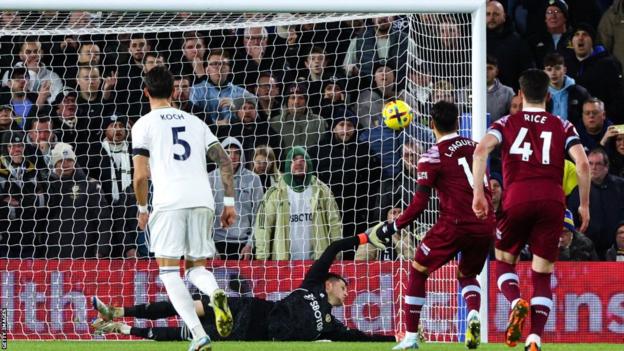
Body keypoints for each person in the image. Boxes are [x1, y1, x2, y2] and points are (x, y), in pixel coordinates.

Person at [472, 69, 590, 351]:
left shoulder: (505, 123)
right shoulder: (562, 125)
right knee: (542, 273)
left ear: (520, 95)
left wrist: (479, 193)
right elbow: (584, 165)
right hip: (552, 201)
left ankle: (515, 302)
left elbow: (479, 152)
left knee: (503, 259)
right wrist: (584, 205)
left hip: (518, 197)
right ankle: (534, 338)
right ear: (548, 96)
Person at [91, 235, 395, 342]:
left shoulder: (331, 326)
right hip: (250, 308)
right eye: (344, 286)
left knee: (188, 333)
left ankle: (123, 328)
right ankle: (120, 310)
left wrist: (398, 337)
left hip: (248, 333)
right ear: (330, 283)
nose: (347, 293)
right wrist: (365, 238)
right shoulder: (313, 284)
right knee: (190, 307)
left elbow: (361, 336)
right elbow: (332, 248)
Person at [369, 101, 496, 350]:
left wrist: (393, 227)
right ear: (458, 123)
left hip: (454, 223)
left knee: (418, 270)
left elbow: (419, 205)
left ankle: (411, 338)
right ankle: (472, 314)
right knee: (468, 275)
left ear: (431, 124)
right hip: (485, 223)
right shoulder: (476, 147)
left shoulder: (431, 155)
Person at [130, 66, 236, 351]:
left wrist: (142, 207)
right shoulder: (196, 122)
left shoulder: (143, 124)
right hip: (203, 201)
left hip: (169, 203)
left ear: (146, 92)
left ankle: (199, 335)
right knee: (195, 268)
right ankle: (214, 292)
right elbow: (225, 161)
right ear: (175, 91)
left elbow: (140, 176)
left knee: (168, 273)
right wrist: (229, 203)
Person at [254, 146, 342, 260]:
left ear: (309, 164)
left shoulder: (322, 191)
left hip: (317, 261)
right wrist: (262, 258)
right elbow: (262, 227)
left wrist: (337, 255)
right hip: (284, 262)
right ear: (287, 164)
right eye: (294, 160)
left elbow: (335, 225)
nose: (298, 163)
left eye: (302, 160)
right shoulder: (275, 192)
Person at [208, 137, 263, 260]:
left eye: (236, 152)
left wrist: (250, 244)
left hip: (243, 245)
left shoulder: (253, 179)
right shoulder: (210, 179)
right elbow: (204, 218)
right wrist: (210, 246)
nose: (232, 156)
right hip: (216, 243)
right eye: (228, 152)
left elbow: (258, 216)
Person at [567, 148, 624, 259]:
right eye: (590, 163)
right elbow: (571, 219)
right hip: (587, 247)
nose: (593, 168)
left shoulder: (621, 186)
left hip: (617, 246)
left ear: (606, 167)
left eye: (598, 164)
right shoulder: (578, 191)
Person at [565, 23, 624, 122]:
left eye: (585, 34)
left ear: (592, 41)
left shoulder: (609, 64)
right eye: (577, 35)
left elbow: (617, 98)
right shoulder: (566, 65)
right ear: (571, 42)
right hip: (574, 123)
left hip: (602, 122)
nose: (580, 38)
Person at [543, 53, 590, 125]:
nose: (553, 73)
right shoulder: (540, 94)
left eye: (557, 68)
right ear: (545, 72)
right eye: (549, 69)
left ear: (564, 70)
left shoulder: (580, 92)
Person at [487, 55, 515, 122]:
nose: (486, 71)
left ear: (496, 71)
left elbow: (514, 117)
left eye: (490, 68)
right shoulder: (464, 91)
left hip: (499, 131)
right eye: (482, 68)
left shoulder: (508, 92)